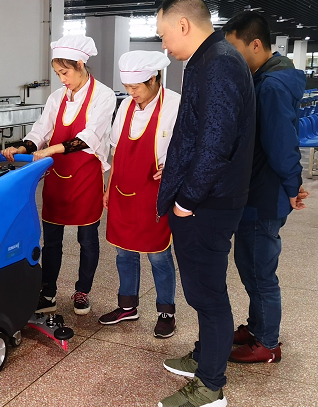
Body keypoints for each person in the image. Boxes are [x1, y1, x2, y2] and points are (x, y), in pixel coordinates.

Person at [155, 1, 256, 406]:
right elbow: (200, 132)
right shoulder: (208, 58)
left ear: (183, 24)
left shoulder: (219, 63)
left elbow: (216, 143)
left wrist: (187, 199)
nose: (164, 46)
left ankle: (211, 386)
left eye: (163, 35)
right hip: (205, 198)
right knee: (201, 289)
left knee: (208, 294)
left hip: (207, 203)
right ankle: (204, 356)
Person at [2, 35, 116, 315]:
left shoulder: (104, 96)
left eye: (65, 72)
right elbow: (40, 131)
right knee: (51, 239)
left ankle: (82, 291)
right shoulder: (56, 98)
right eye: (57, 74)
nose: (62, 79)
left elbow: (88, 137)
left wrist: (50, 149)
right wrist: (22, 147)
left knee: (87, 239)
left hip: (85, 177)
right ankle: (48, 291)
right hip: (57, 177)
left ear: (80, 65)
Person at [222, 12, 309, 364]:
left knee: (260, 272)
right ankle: (257, 328)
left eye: (235, 48)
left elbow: (281, 144)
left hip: (264, 195)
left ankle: (268, 344)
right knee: (250, 266)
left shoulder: (271, 86)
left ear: (256, 44)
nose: (232, 57)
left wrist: (292, 185)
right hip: (256, 190)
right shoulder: (265, 78)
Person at [98, 51, 180, 339]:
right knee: (124, 251)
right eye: (127, 87)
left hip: (154, 192)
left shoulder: (175, 104)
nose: (131, 93)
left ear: (153, 79)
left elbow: (190, 149)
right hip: (122, 188)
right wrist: (108, 187)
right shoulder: (125, 106)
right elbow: (116, 148)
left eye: (136, 87)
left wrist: (174, 167)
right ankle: (127, 306)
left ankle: (166, 312)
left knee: (158, 254)